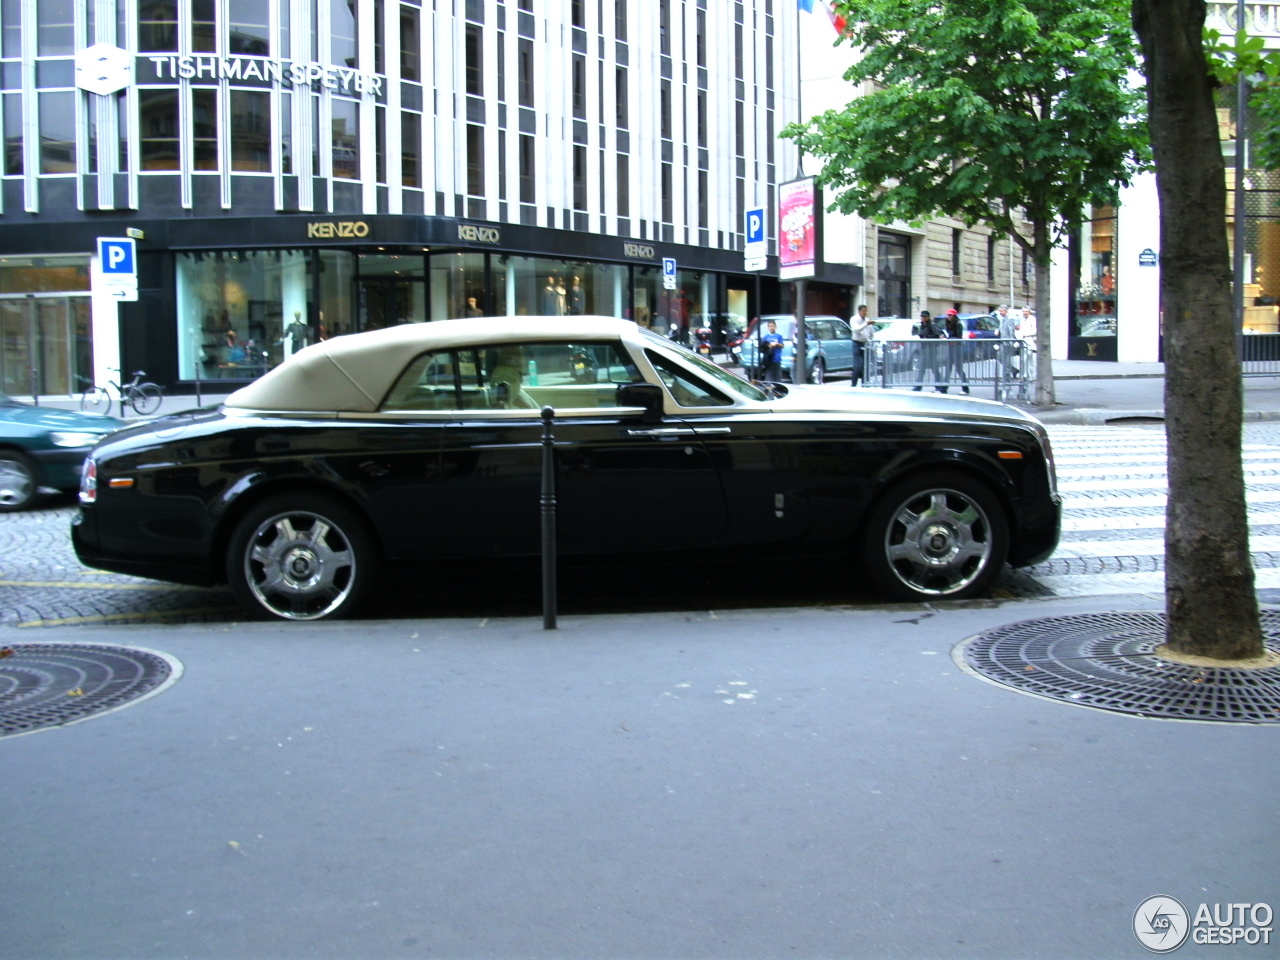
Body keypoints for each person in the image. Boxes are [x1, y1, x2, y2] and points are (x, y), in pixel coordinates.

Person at [912, 310, 947, 392]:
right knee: (922, 369)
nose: (923, 318)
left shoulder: (932, 326)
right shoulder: (922, 326)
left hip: (931, 351)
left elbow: (939, 335)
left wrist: (930, 338)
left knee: (934, 369)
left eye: (925, 317)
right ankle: (919, 386)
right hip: (924, 350)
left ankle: (939, 386)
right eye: (922, 317)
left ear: (928, 317)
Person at [942, 308, 970, 394]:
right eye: (948, 315)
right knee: (948, 368)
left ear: (954, 316)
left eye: (951, 315)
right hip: (951, 348)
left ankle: (965, 388)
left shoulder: (958, 324)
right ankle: (944, 388)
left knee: (959, 368)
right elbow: (948, 334)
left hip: (957, 348)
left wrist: (951, 340)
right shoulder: (948, 323)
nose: (949, 317)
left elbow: (958, 336)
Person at [850, 304, 875, 386]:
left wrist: (871, 341)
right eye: (863, 311)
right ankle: (853, 384)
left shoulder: (867, 320)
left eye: (866, 311)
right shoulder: (854, 319)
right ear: (859, 311)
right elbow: (856, 329)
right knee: (857, 366)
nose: (865, 313)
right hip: (857, 343)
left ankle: (865, 384)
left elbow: (871, 333)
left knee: (866, 366)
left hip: (866, 344)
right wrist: (866, 324)